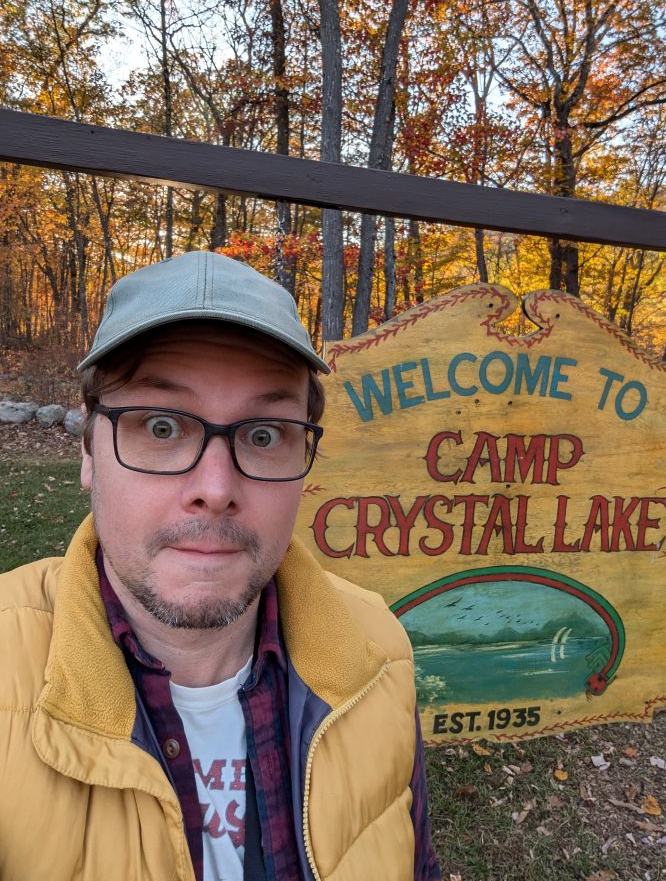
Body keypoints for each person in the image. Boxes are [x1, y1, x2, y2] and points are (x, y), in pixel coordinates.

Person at [0, 250, 440, 881]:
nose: (216, 485)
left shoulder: (379, 653)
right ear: (89, 452)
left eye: (263, 434)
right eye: (159, 425)